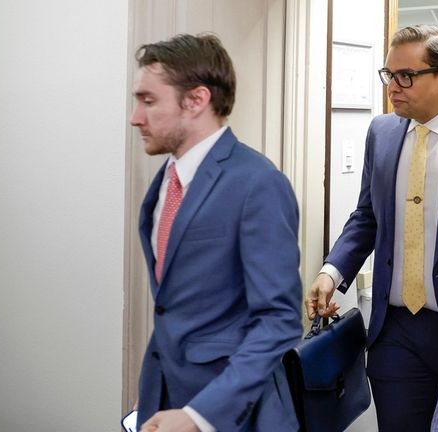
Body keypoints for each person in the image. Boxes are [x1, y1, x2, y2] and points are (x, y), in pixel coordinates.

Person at [306, 25, 438, 431]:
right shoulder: (382, 134)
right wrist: (330, 272)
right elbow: (366, 217)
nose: (393, 87)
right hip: (397, 329)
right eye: (389, 75)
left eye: (406, 76)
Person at [130, 33, 302, 432]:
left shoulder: (257, 183)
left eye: (149, 100)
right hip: (167, 398)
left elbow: (279, 320)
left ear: (196, 100)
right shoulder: (167, 180)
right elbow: (174, 306)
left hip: (236, 412)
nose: (135, 117)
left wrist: (198, 415)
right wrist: (157, 388)